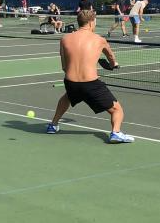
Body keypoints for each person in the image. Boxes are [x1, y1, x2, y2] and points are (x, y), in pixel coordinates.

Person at [46, 9, 134, 143]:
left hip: (70, 83)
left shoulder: (64, 39)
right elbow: (111, 58)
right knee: (117, 109)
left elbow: (64, 66)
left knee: (67, 97)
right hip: (91, 85)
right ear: (92, 22)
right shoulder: (100, 40)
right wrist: (113, 64)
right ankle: (116, 132)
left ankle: (53, 125)